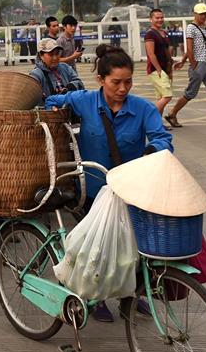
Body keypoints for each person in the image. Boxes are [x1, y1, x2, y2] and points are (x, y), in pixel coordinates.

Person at [45, 45, 172, 322]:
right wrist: (55, 108)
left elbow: (162, 138)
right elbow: (51, 100)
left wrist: (154, 151)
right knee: (97, 248)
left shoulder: (143, 109)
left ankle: (132, 296)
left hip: (130, 190)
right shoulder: (83, 100)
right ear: (101, 80)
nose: (123, 88)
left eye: (128, 82)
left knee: (134, 249)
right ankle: (96, 297)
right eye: (116, 82)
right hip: (92, 190)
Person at [144, 8, 174, 122]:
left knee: (161, 97)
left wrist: (170, 70)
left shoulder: (164, 33)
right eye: (157, 18)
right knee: (167, 96)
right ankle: (148, 120)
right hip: (155, 70)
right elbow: (151, 54)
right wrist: (159, 70)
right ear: (151, 19)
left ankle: (158, 124)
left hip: (165, 69)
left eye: (161, 17)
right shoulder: (150, 34)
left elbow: (167, 51)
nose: (160, 20)